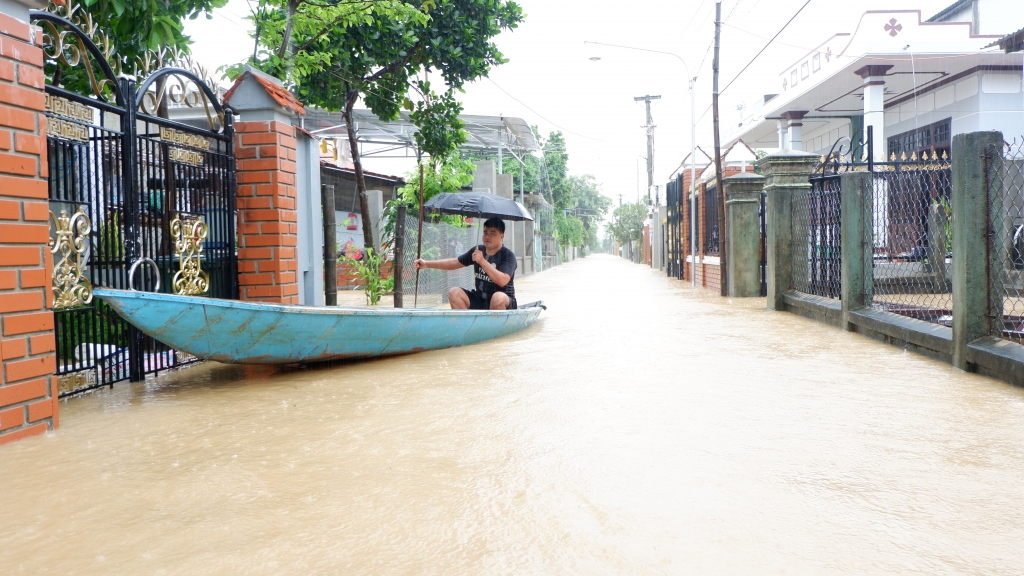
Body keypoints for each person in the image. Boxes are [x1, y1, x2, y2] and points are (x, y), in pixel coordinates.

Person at [414, 217, 517, 310]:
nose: (487, 236)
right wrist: (427, 264)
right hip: (480, 299)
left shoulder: (508, 256)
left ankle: (494, 329)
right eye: (485, 232)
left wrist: (482, 261)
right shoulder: (477, 251)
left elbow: (502, 281)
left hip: (503, 302)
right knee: (454, 293)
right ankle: (468, 328)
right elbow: (454, 262)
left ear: (502, 236)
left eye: (492, 233)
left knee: (498, 297)